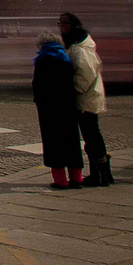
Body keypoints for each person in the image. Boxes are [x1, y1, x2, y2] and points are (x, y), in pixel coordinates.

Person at [58, 12, 111, 186]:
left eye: (65, 23)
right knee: (91, 136)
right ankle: (100, 173)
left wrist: (73, 90)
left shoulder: (80, 47)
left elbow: (86, 74)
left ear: (74, 25)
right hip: (86, 98)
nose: (61, 26)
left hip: (86, 99)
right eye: (60, 23)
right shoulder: (76, 43)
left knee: (92, 136)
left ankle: (101, 174)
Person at [33, 31, 83, 189]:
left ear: (41, 45)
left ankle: (60, 180)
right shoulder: (66, 58)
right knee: (72, 140)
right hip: (68, 105)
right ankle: (77, 178)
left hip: (49, 107)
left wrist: (39, 101)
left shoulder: (43, 59)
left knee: (53, 142)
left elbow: (38, 85)